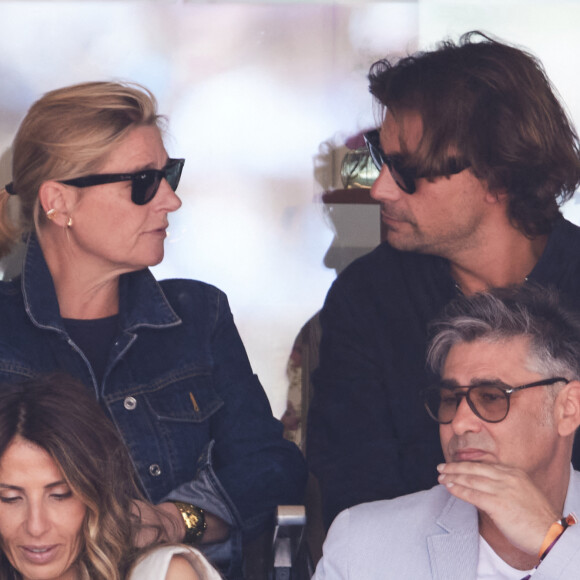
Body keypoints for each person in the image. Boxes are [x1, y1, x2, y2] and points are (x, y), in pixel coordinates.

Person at [0, 80, 307, 578]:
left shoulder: (197, 316)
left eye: (170, 175)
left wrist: (174, 520)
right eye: (143, 181)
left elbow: (273, 472)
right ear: (58, 202)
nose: (170, 200)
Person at [307, 30, 580, 530]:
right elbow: (356, 502)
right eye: (380, 159)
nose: (382, 188)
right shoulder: (369, 298)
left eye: (409, 170)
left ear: (497, 173)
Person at [313, 285, 580, 579]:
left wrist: (554, 541)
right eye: (451, 399)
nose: (459, 422)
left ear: (568, 409)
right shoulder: (362, 545)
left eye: (491, 397)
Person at [0, 373, 222, 580]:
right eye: (10, 498)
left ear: (96, 493)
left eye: (60, 495)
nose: (36, 527)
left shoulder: (161, 574)